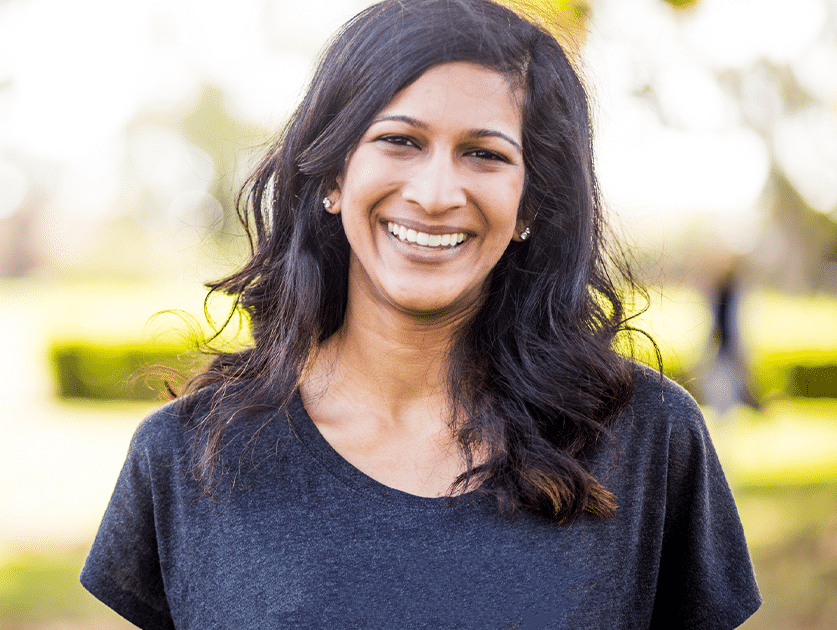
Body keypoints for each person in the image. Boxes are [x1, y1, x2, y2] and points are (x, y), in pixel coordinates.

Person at [80, 0, 762, 627]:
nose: (436, 193)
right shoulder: (186, 455)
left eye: (485, 154)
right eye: (400, 141)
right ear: (332, 177)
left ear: (530, 206)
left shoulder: (648, 440)